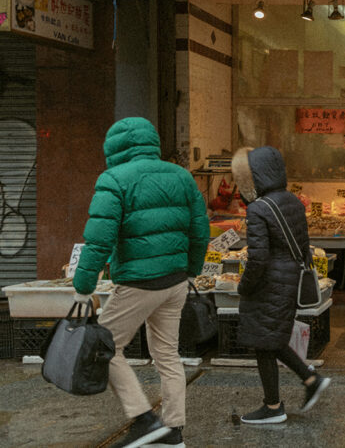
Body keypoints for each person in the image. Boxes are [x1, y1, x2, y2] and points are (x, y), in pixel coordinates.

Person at [72, 117, 210, 448]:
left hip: (138, 283)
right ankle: (173, 430)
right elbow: (200, 229)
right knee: (167, 354)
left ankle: (145, 419)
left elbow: (99, 240)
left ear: (114, 148)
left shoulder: (114, 179)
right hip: (176, 280)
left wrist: (83, 285)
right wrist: (191, 269)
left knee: (105, 347)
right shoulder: (181, 176)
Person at [231, 146, 331, 425]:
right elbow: (303, 246)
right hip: (288, 282)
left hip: (268, 285)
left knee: (265, 342)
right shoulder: (293, 202)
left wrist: (244, 286)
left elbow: (258, 257)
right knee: (271, 339)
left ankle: (274, 406)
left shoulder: (258, 209)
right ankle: (310, 379)